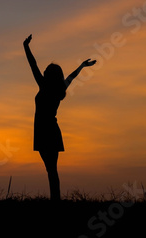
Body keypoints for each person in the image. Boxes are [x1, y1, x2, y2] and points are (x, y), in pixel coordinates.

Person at [23, 34, 96, 201]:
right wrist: (82, 66)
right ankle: (55, 199)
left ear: (48, 75)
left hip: (43, 130)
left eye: (46, 71)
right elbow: (72, 77)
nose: (43, 71)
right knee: (52, 169)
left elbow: (32, 64)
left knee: (50, 169)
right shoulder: (59, 88)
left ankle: (55, 201)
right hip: (52, 130)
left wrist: (25, 46)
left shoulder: (44, 85)